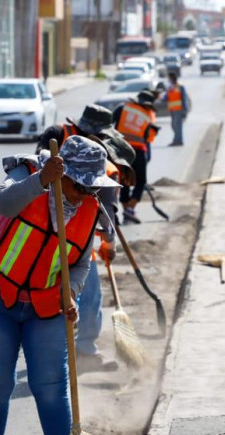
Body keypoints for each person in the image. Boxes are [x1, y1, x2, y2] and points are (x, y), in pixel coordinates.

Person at [0, 135, 120, 435]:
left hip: (47, 306)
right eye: (77, 183)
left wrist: (71, 292)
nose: (83, 193)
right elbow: (3, 205)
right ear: (60, 169)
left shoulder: (90, 209)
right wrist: (40, 182)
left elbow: (81, 264)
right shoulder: (27, 172)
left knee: (52, 388)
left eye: (90, 186)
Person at [36, 105, 137, 371]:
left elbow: (106, 213)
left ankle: (81, 351)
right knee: (59, 297)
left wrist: (106, 243)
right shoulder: (58, 136)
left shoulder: (100, 163)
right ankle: (58, 353)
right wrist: (108, 245)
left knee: (86, 294)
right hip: (45, 234)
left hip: (78, 241)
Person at [114, 89, 160, 224]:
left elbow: (110, 124)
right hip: (138, 152)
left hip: (121, 150)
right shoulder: (149, 114)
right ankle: (130, 209)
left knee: (124, 180)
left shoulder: (123, 107)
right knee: (140, 181)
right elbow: (149, 138)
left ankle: (126, 209)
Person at [163, 72, 189, 146]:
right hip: (172, 110)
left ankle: (178, 141)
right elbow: (167, 97)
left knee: (178, 126)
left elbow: (184, 98)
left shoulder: (180, 86)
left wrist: (185, 110)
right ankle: (177, 139)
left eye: (169, 78)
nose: (169, 80)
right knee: (174, 125)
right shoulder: (170, 87)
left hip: (179, 109)